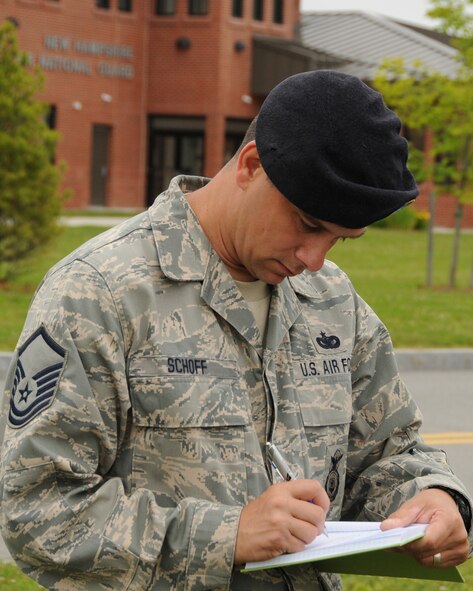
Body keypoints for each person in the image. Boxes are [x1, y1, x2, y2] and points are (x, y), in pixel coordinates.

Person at [0, 70, 471, 591]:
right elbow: (36, 510)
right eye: (308, 225)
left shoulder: (332, 301)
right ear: (250, 166)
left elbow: (386, 453)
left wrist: (432, 498)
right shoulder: (101, 293)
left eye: (341, 240)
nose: (314, 260)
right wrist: (227, 534)